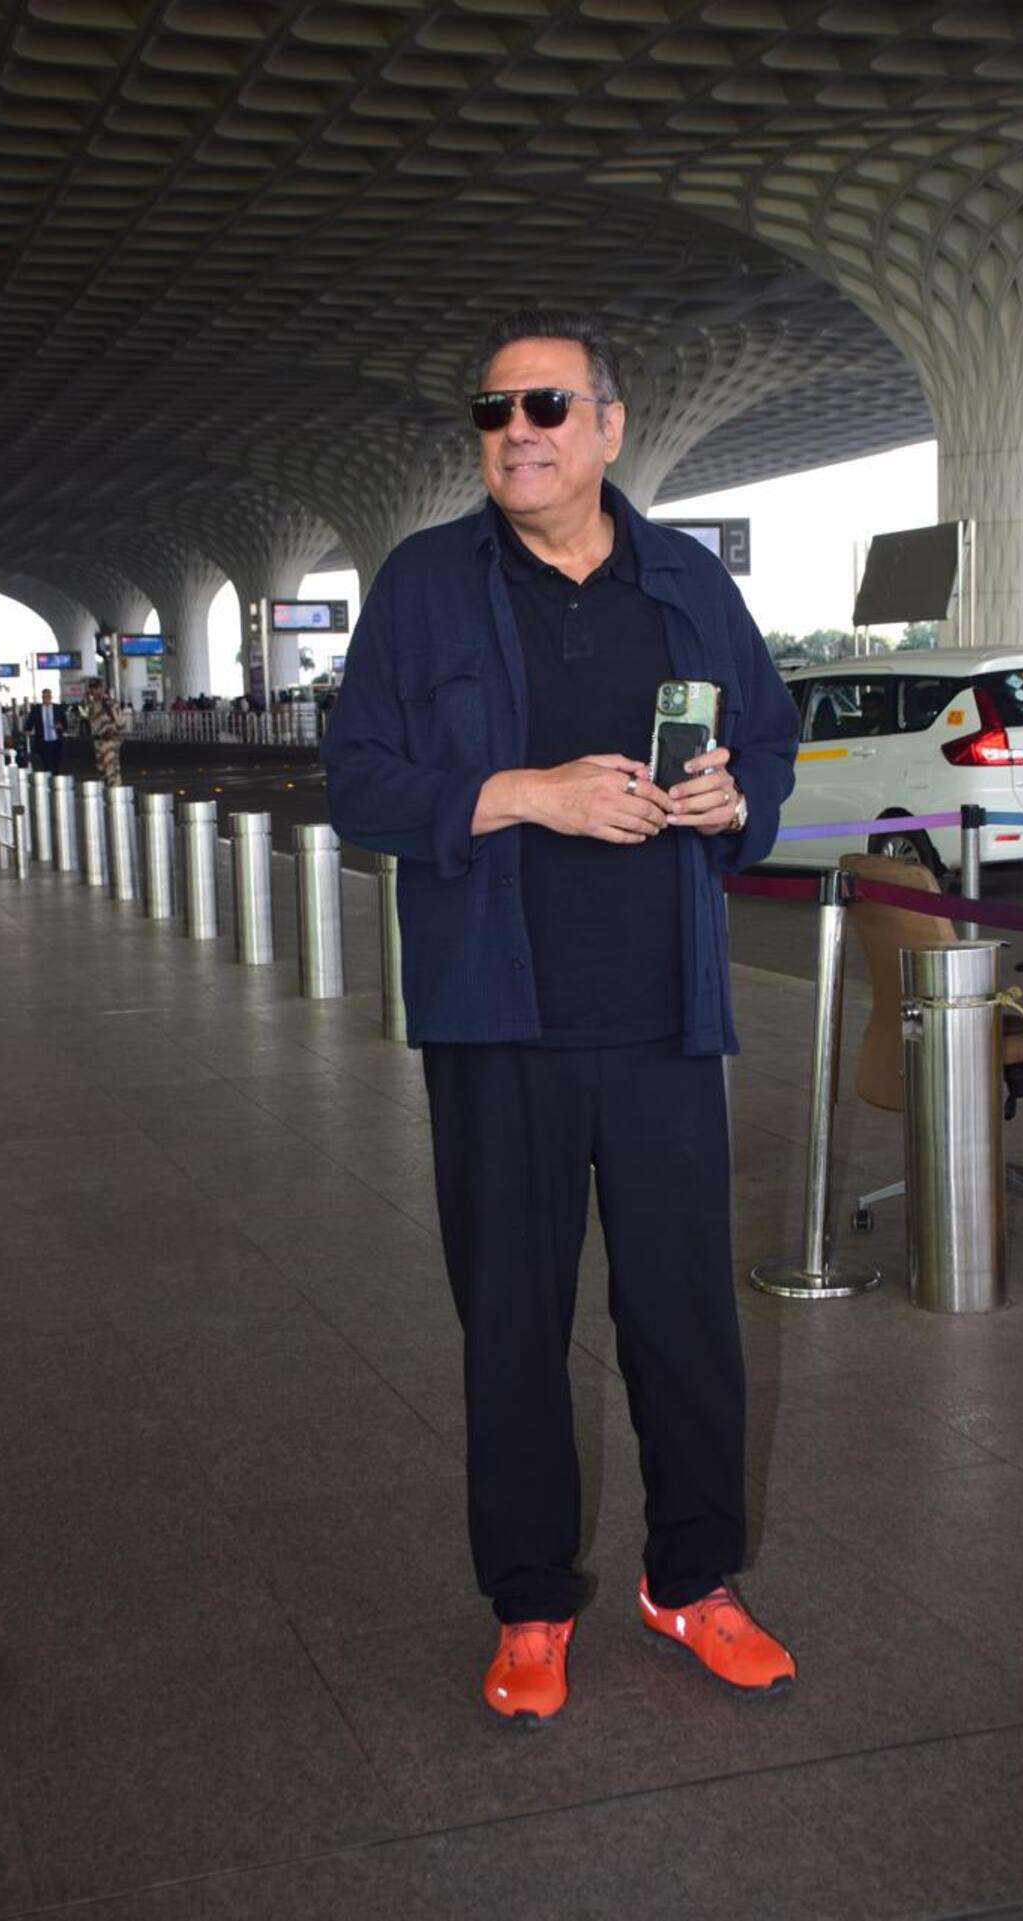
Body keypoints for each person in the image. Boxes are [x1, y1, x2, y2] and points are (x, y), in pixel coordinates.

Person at [324, 309, 801, 1728]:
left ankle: (692, 1583)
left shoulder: (686, 583)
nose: (515, 432)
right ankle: (531, 1604)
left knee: (685, 1320)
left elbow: (764, 742)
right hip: (497, 1017)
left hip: (663, 1015)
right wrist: (519, 792)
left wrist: (735, 804)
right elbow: (359, 779)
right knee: (514, 1326)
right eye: (491, 411)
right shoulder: (423, 584)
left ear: (608, 425)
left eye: (543, 405)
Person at [80, 677, 123, 787]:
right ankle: (107, 796)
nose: (94, 691)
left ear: (102, 688)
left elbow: (121, 724)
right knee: (102, 772)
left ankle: (115, 796)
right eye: (92, 688)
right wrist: (84, 700)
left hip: (109, 742)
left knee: (112, 771)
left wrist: (115, 739)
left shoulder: (110, 703)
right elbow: (84, 717)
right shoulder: (91, 705)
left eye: (96, 688)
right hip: (97, 742)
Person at [25, 687, 67, 775]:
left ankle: (55, 777)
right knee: (46, 763)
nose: (46, 698)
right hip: (43, 741)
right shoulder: (36, 710)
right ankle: (48, 778)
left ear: (51, 697)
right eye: (44, 697)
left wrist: (61, 726)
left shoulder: (58, 709)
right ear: (42, 697)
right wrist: (27, 729)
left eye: (48, 696)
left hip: (56, 740)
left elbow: (65, 724)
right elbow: (30, 722)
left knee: (57, 762)